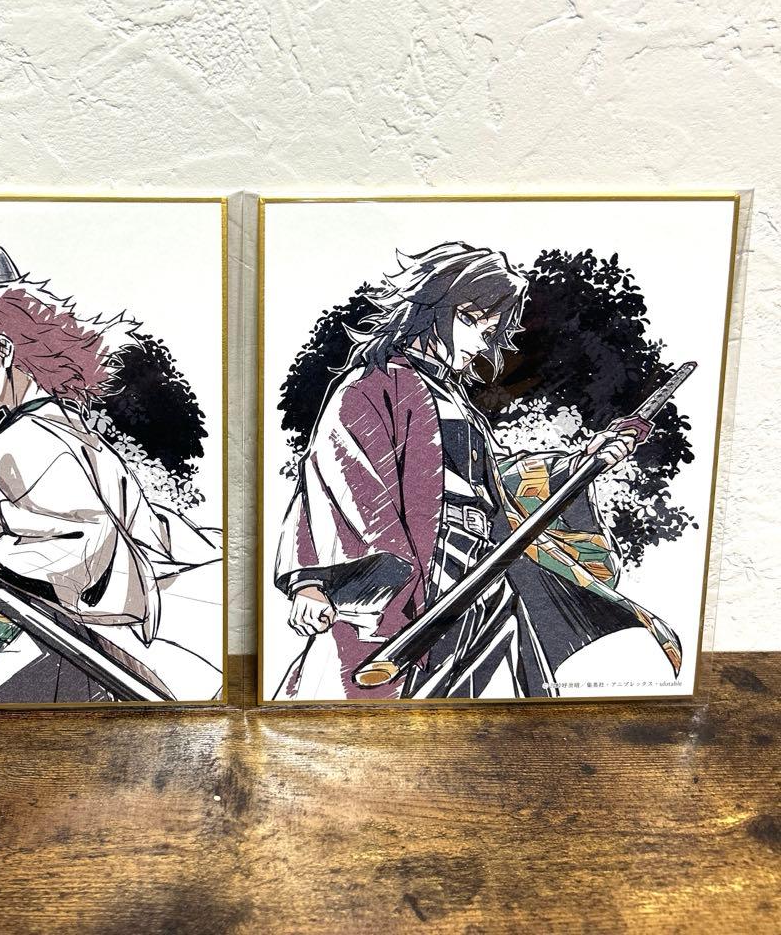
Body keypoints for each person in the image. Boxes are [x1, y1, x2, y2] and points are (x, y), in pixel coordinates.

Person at [273, 242, 682, 700]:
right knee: (362, 704)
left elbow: (497, 487)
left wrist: (583, 461)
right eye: (471, 322)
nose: (479, 346)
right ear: (432, 307)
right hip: (406, 587)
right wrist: (311, 582)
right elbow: (335, 483)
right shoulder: (372, 386)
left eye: (489, 333)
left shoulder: (457, 403)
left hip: (482, 577)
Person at [0, 246, 222, 703]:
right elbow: (138, 533)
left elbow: (86, 546)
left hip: (83, 651)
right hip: (104, 644)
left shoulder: (22, 442)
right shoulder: (77, 433)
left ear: (4, 351)